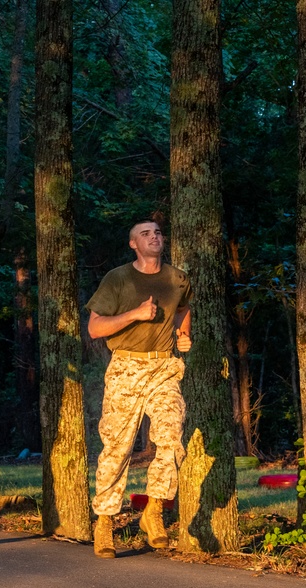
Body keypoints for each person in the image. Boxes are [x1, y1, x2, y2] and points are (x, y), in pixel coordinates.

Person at [86, 219, 192, 559]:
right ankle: (104, 522)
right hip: (126, 367)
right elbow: (95, 328)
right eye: (146, 234)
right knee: (117, 448)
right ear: (133, 244)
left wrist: (183, 334)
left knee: (171, 437)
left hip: (163, 367)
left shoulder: (177, 278)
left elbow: (184, 309)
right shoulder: (118, 278)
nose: (154, 237)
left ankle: (154, 511)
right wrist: (135, 314)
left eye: (158, 232)